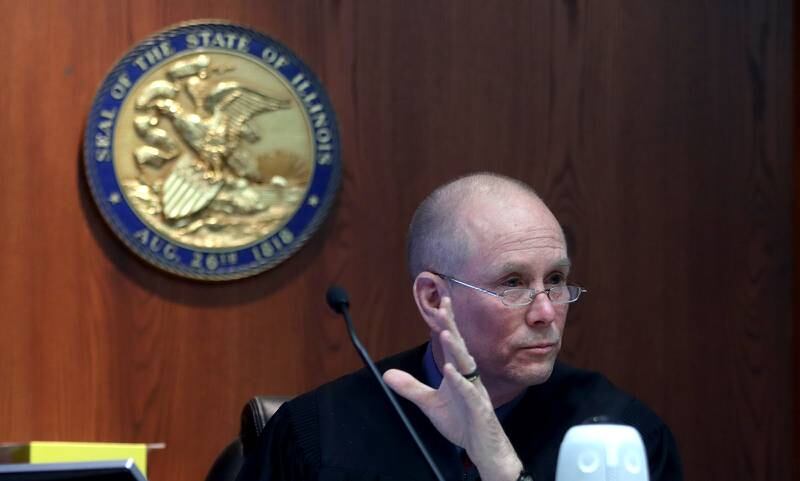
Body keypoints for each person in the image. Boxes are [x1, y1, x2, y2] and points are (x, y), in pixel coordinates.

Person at [237, 172, 683, 480]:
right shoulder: (319, 434)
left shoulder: (618, 439)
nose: (546, 312)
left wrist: (502, 468)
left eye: (556, 281)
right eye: (513, 284)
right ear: (433, 298)